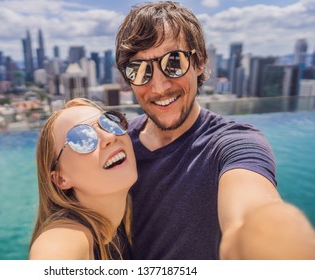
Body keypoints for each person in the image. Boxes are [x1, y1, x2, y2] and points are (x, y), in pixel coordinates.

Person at [115, 1, 315, 259]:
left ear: (199, 62)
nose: (159, 86)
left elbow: (246, 219)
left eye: (173, 62)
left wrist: (272, 241)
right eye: (139, 70)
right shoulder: (117, 144)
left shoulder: (234, 143)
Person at [29, 98, 137, 260]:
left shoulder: (117, 231)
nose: (109, 136)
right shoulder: (63, 239)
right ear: (60, 179)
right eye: (81, 138)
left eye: (109, 122)